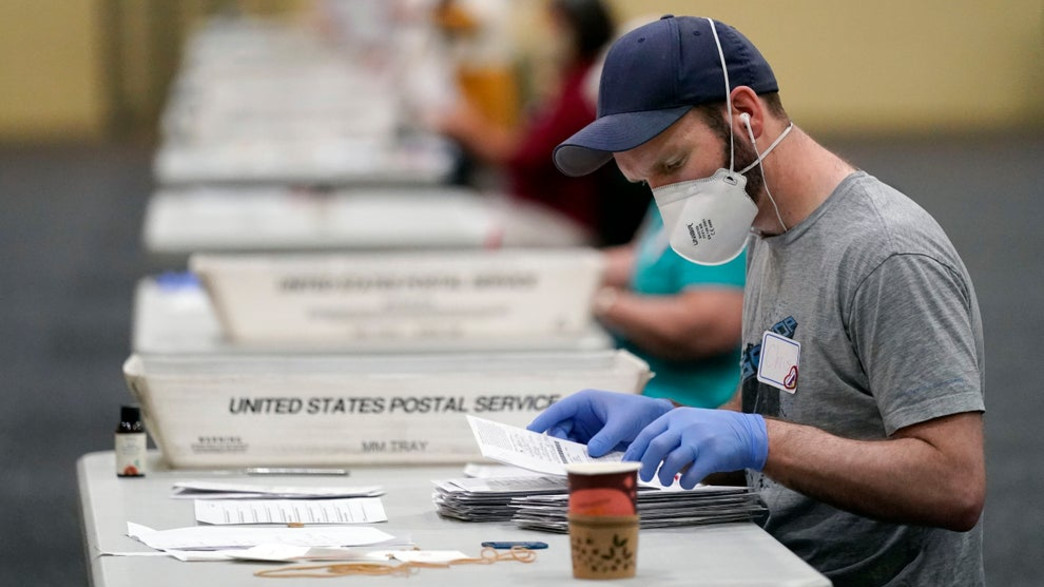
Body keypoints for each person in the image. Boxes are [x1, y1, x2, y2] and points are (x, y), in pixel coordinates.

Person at [528, 15, 985, 586]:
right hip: (774, 559)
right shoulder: (766, 230)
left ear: (745, 113)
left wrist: (759, 441)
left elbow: (955, 483)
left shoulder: (885, 254)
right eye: (647, 182)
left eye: (673, 164)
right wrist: (666, 424)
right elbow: (780, 409)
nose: (669, 199)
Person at [431, 0, 648, 245]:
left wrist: (471, 129)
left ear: (576, 30)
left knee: (458, 232)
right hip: (534, 211)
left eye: (553, 25)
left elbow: (525, 158)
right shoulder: (568, 83)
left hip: (559, 220)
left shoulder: (584, 92)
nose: (546, 34)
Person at [594, 203, 745, 408]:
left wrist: (606, 302)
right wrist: (576, 268)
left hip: (684, 401)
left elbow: (708, 324)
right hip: (641, 388)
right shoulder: (672, 198)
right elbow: (645, 260)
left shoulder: (715, 209)